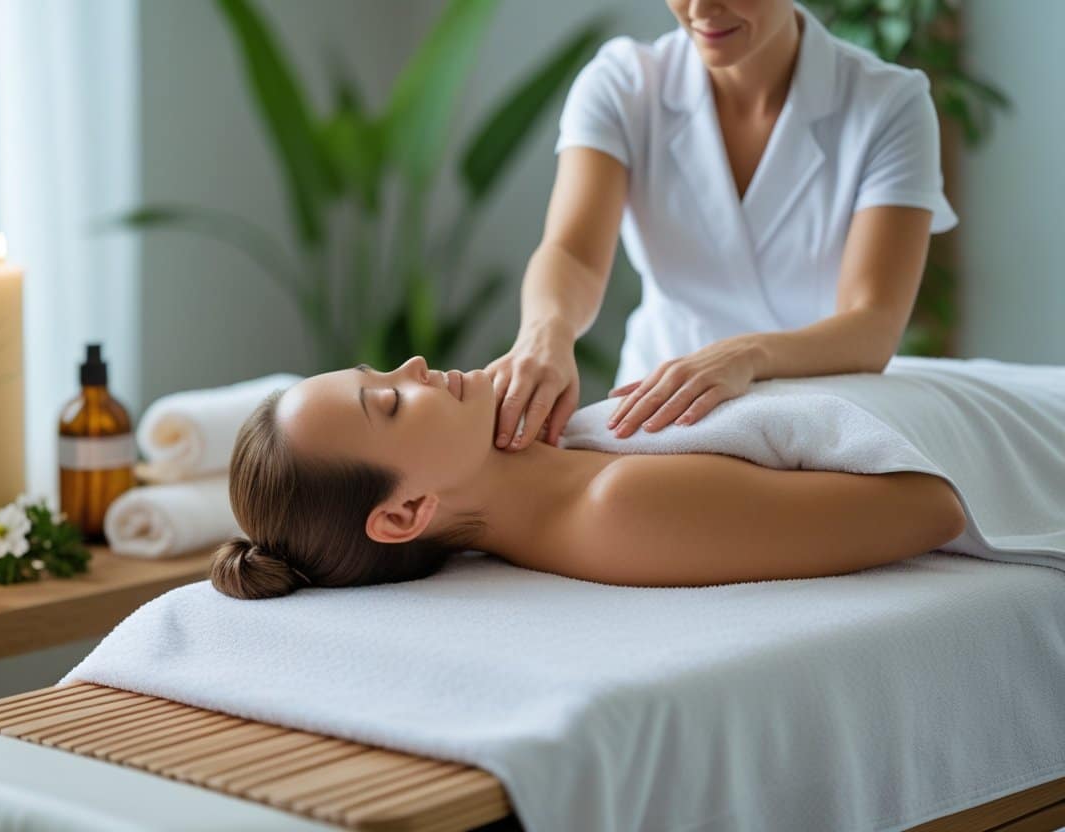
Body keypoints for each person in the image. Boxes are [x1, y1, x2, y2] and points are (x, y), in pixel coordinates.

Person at [483, 0, 957, 454]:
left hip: (818, 423)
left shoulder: (888, 105)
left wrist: (745, 356)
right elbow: (572, 253)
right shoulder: (623, 85)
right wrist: (546, 332)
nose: (700, 9)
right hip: (650, 414)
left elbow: (872, 322)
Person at [210, 355, 966, 600]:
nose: (414, 365)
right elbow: (929, 509)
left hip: (944, 385)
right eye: (388, 400)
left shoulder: (547, 439)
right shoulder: (620, 510)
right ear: (405, 514)